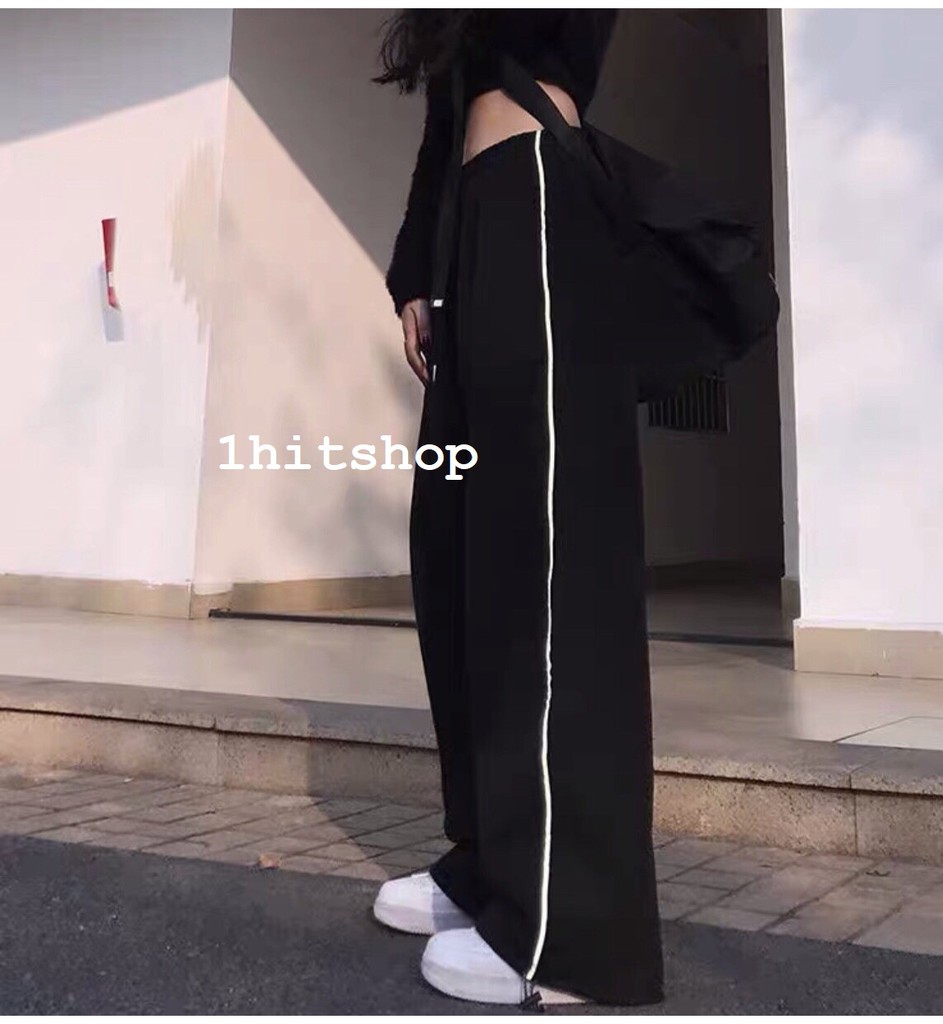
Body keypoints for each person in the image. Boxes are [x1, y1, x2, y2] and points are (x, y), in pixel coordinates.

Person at [370, 10, 664, 1008]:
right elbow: (442, 111)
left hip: (537, 192)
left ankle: (570, 934)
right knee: (456, 557)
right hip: (474, 223)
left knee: (544, 562)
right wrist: (418, 266)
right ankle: (491, 863)